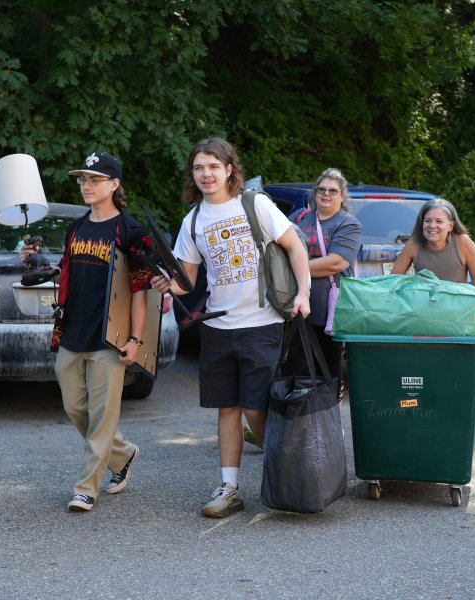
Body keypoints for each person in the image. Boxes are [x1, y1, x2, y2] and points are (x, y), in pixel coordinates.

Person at [151, 137, 310, 518]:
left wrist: (303, 293)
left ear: (229, 170)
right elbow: (187, 280)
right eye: (198, 168)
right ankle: (230, 488)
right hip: (217, 326)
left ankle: (291, 473)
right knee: (227, 408)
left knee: (256, 410)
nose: (206, 174)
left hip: (262, 323)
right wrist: (166, 283)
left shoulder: (254, 204)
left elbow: (295, 247)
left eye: (212, 166)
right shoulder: (193, 220)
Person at [48, 151, 146, 512]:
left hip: (110, 338)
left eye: (95, 180)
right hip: (73, 332)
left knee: (103, 414)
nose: (87, 186)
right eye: (83, 180)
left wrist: (135, 339)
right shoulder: (76, 227)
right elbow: (71, 275)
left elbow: (140, 290)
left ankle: (86, 488)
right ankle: (122, 453)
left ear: (114, 184)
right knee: (76, 407)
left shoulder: (130, 231)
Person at [282, 168, 362, 390]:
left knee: (328, 370)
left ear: (342, 196)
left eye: (333, 191)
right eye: (322, 189)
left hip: (329, 309)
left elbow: (336, 263)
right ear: (315, 192)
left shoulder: (348, 224)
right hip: (295, 305)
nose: (326, 194)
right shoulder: (299, 217)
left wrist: (293, 267)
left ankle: (329, 422)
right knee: (295, 368)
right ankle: (297, 421)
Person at [391, 197, 475, 331]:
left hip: (456, 315)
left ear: (450, 225)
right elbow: (393, 281)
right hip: (422, 314)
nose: (432, 225)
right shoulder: (414, 244)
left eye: (439, 221)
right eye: (428, 221)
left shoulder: (463, 243)